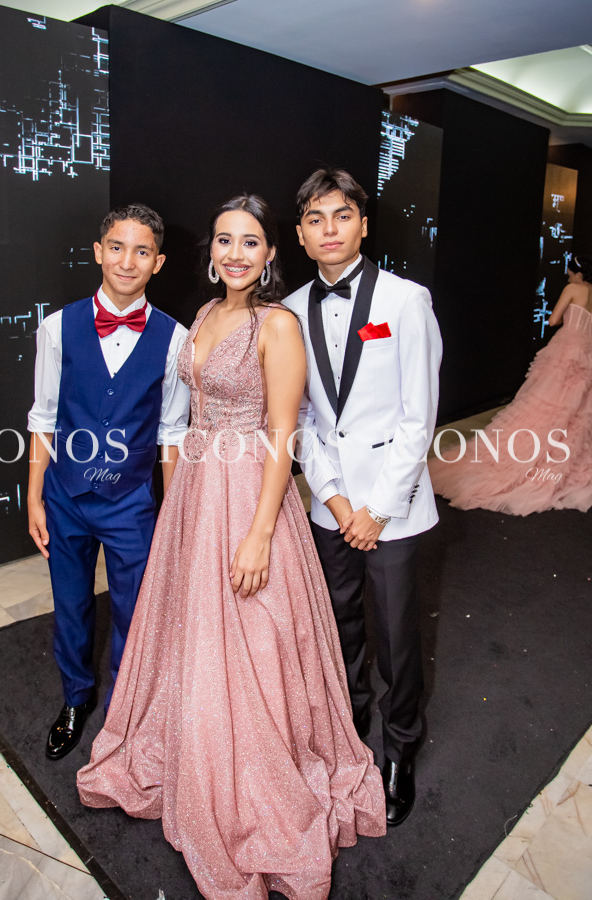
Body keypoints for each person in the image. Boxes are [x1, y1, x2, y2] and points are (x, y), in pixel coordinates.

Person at [77, 195, 386, 900]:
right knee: (193, 628)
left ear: (270, 253)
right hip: (196, 488)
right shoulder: (204, 316)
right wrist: (176, 504)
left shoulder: (277, 325)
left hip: (250, 490)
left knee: (255, 632)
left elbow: (284, 435)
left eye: (250, 242)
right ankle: (191, 743)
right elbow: (186, 416)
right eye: (224, 240)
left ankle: (258, 770)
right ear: (211, 251)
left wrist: (258, 534)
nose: (236, 253)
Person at [285, 167, 443, 827]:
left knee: (398, 635)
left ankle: (401, 745)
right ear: (300, 234)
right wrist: (334, 498)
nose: (329, 229)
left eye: (342, 216)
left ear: (363, 224)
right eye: (315, 219)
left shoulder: (406, 301)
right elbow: (299, 418)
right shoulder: (289, 310)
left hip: (392, 508)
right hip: (331, 506)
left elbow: (419, 416)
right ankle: (347, 729)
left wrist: (377, 508)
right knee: (338, 625)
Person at [27, 204, 190, 761]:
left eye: (142, 251)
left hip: (131, 504)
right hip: (65, 496)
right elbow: (43, 416)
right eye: (117, 247)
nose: (127, 261)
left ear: (158, 262)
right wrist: (34, 496)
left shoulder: (175, 339)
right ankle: (76, 698)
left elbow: (171, 432)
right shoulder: (57, 327)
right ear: (98, 252)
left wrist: (171, 510)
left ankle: (124, 712)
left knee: (134, 611)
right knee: (71, 606)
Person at [429, 253, 592, 515]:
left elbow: (553, 320)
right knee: (574, 413)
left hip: (566, 350)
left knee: (543, 405)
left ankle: (527, 455)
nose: (568, 274)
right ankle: (557, 461)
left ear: (578, 273)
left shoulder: (573, 288)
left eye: (570, 271)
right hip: (586, 353)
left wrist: (567, 316)